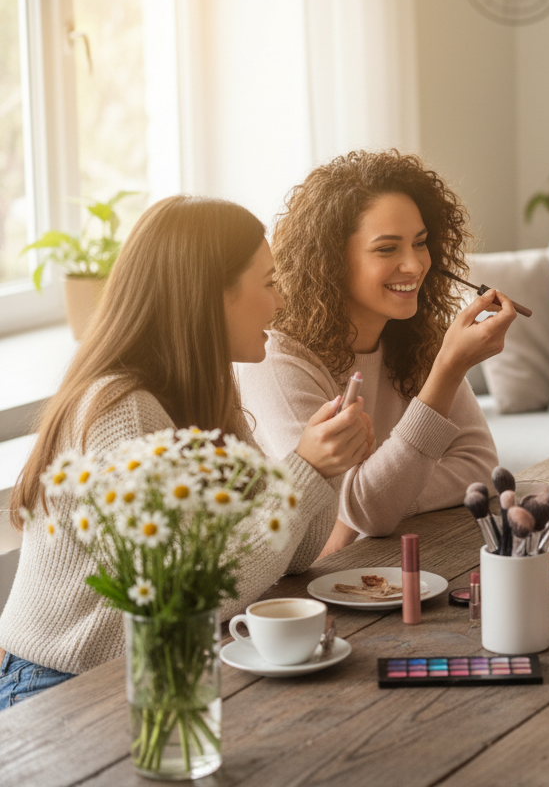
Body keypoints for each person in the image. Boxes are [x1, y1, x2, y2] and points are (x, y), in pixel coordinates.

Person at [0, 196, 369, 708]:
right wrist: (302, 473)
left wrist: (323, 468)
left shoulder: (207, 396)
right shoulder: (122, 412)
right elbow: (188, 595)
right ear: (212, 295)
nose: (281, 301)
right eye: (268, 282)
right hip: (62, 688)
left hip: (149, 669)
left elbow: (294, 556)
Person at [237, 150, 515, 556]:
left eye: (420, 243)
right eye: (386, 249)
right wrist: (448, 368)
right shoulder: (278, 361)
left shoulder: (418, 337)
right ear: (331, 260)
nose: (414, 264)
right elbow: (371, 510)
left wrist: (380, 499)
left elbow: (481, 467)